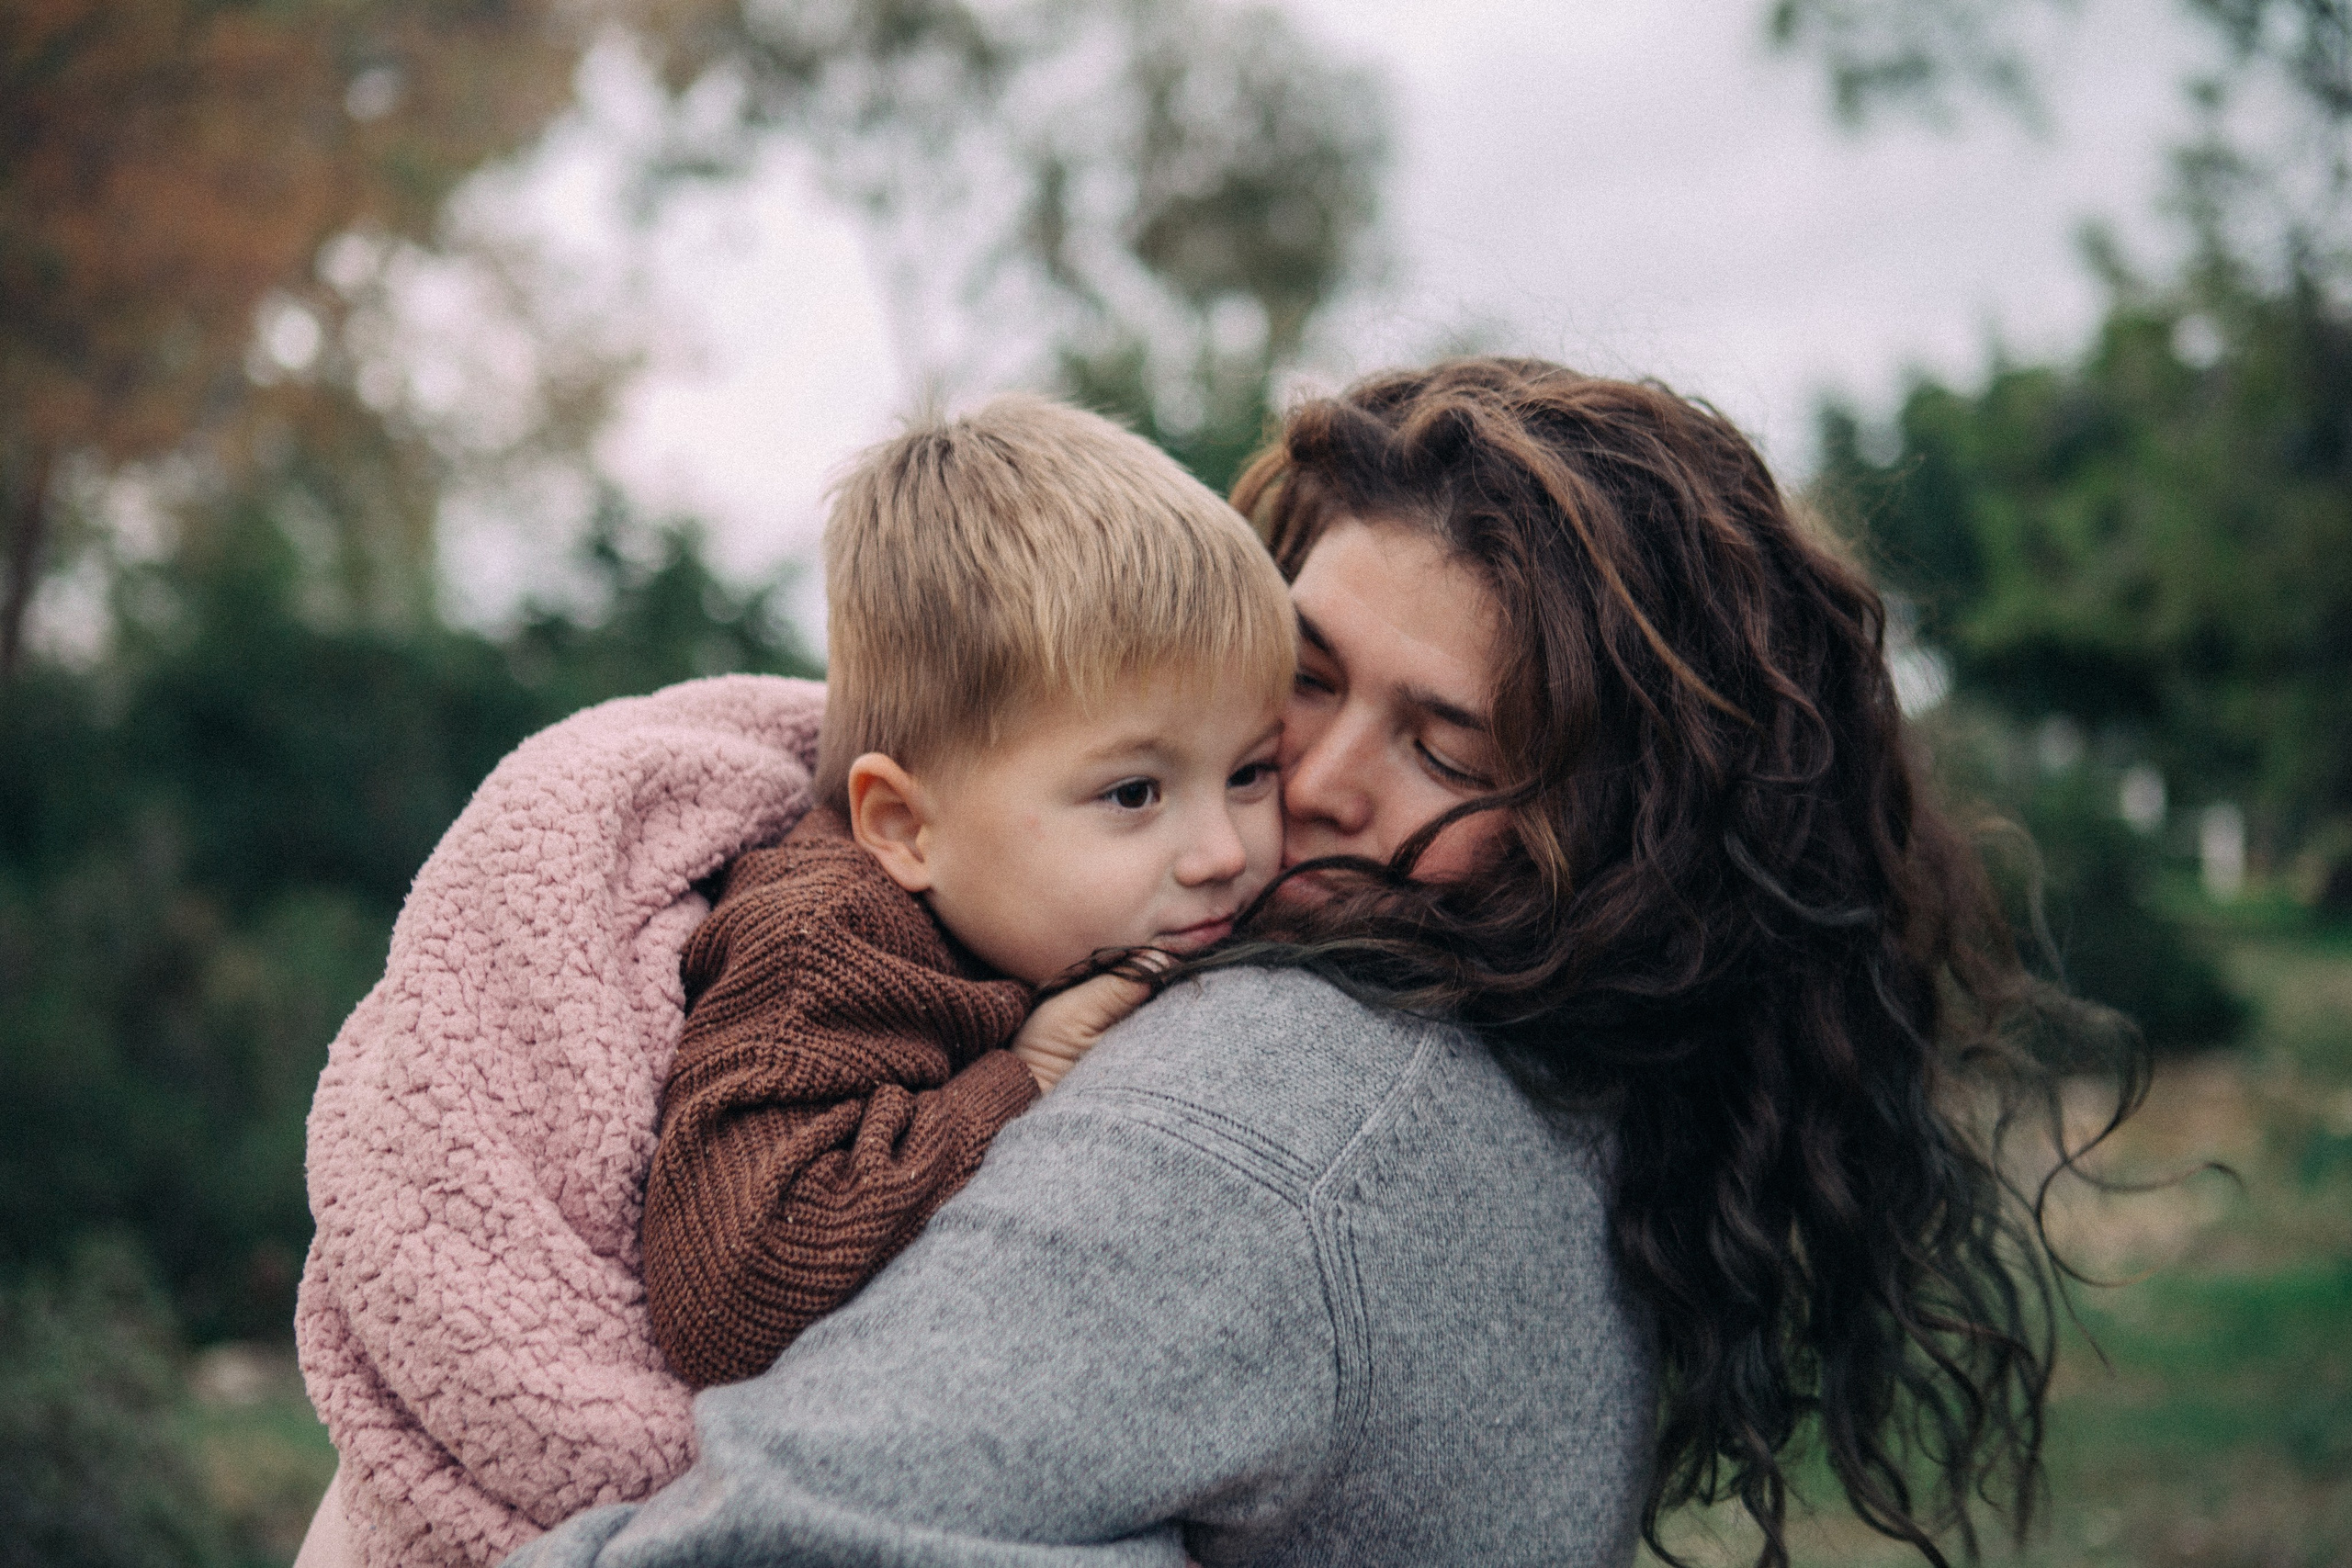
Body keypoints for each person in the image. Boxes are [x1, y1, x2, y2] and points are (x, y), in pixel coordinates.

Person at [506, 356, 2115, 1568]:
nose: (1320, 786)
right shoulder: (1592, 1113)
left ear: (1623, 832)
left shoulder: (1291, 1098)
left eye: (1447, 745)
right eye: (1310, 674)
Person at [642, 395, 1294, 1389]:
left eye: (1251, 772)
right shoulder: (826, 935)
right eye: (1134, 792)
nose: (1222, 851)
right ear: (906, 828)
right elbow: (735, 1289)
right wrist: (1024, 1078)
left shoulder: (1052, 911)